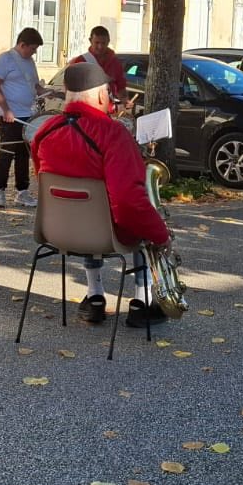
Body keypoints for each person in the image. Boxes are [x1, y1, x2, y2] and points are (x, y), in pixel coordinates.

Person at [30, 59, 171, 328]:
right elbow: (129, 203)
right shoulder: (113, 134)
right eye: (108, 92)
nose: (110, 99)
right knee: (140, 217)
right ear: (98, 94)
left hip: (56, 232)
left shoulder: (44, 132)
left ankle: (94, 296)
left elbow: (44, 182)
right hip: (105, 235)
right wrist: (160, 234)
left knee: (87, 204)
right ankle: (141, 301)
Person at [0, 27, 45, 208]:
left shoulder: (29, 62)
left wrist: (47, 93)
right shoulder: (4, 60)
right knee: (6, 153)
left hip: (27, 115)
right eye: (32, 48)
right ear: (22, 45)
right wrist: (6, 109)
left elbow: (35, 86)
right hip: (10, 116)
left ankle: (22, 191)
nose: (34, 52)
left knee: (23, 154)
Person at [68, 25, 129, 112]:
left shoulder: (115, 62)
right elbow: (71, 88)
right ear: (90, 41)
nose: (100, 47)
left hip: (108, 111)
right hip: (86, 110)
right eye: (97, 43)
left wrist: (125, 101)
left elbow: (121, 87)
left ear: (108, 42)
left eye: (103, 43)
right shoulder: (81, 61)